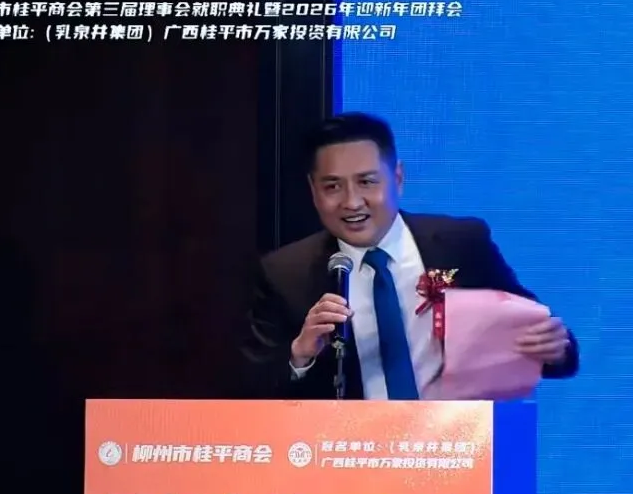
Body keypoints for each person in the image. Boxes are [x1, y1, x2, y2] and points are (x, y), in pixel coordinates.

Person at [241, 112, 578, 400]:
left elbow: (543, 340)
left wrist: (554, 346)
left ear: (398, 178)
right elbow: (254, 389)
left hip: (457, 443)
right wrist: (300, 356)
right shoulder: (286, 274)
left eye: (367, 182)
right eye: (333, 187)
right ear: (314, 191)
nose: (352, 202)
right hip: (350, 448)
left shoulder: (461, 244)